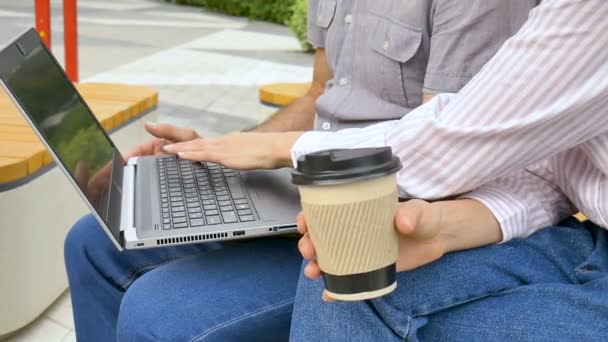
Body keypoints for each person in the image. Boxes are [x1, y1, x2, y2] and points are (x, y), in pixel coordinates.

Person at [64, 1, 539, 340]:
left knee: (158, 313)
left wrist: (279, 150)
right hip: (298, 187)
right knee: (92, 241)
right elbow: (319, 95)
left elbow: (452, 161)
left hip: (379, 221)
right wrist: (221, 151)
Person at [165, 0, 608, 340]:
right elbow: (550, 162)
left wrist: (290, 152)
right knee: (352, 281)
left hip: (381, 178)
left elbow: (460, 146)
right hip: (339, 176)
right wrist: (451, 227)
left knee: (162, 313)